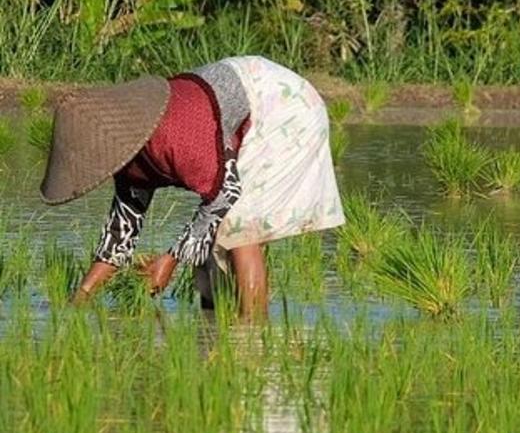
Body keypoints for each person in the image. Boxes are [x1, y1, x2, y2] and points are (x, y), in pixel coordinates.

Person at [40, 56, 345, 317]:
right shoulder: (129, 160)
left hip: (283, 106)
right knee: (210, 239)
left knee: (239, 226)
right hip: (240, 94)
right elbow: (120, 236)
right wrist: (79, 301)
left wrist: (170, 260)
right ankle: (212, 329)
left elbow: (225, 193)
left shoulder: (177, 137)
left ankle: (253, 335)